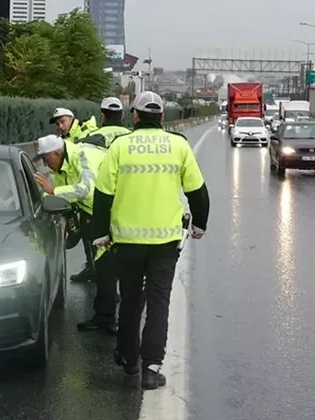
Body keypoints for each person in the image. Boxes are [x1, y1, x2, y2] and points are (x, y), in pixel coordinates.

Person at [92, 91, 210, 390]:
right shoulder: (178, 145)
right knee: (159, 303)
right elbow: (197, 191)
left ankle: (128, 359)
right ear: (162, 117)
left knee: (130, 300)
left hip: (126, 241)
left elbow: (103, 194)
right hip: (165, 242)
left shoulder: (120, 146)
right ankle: (151, 368)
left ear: (134, 115)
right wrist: (200, 224)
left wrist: (102, 233)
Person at [32, 134, 108, 296]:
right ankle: (101, 291)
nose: (45, 164)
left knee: (109, 261)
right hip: (92, 210)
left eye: (46, 159)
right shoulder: (58, 171)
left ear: (57, 154)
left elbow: (87, 189)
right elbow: (57, 198)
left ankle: (111, 307)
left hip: (111, 208)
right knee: (96, 254)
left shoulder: (82, 155)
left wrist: (53, 191)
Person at [68, 97, 132, 284]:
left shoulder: (91, 139)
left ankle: (94, 269)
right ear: (121, 115)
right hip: (126, 198)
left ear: (102, 115)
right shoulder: (131, 137)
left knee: (95, 238)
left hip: (99, 197)